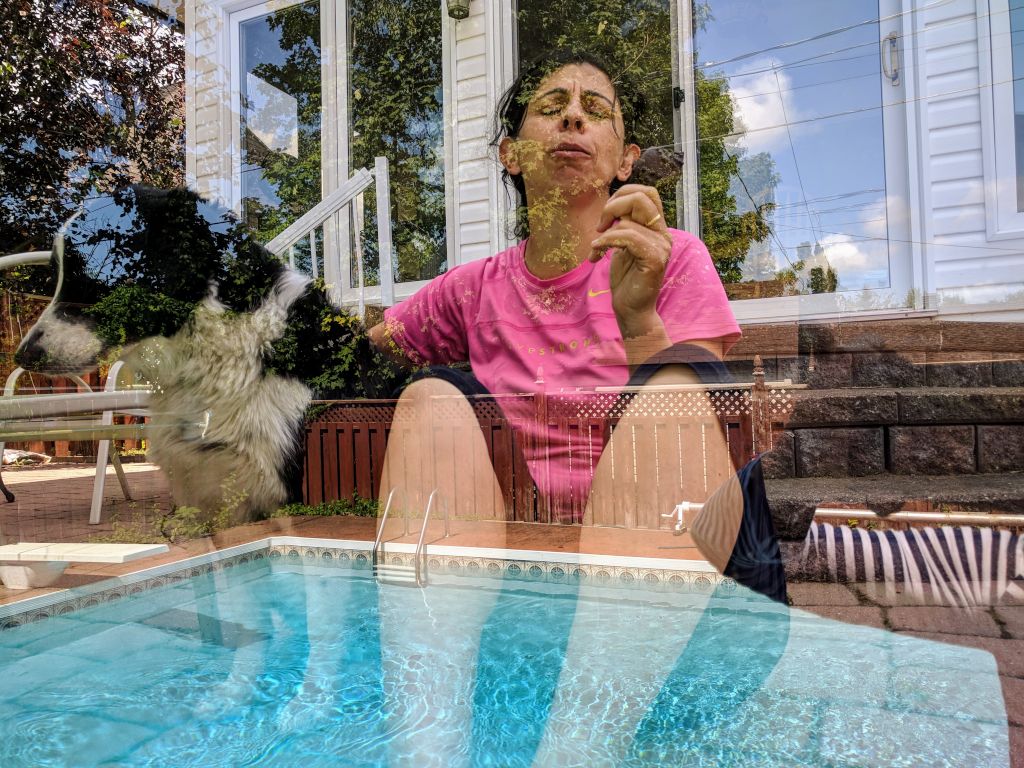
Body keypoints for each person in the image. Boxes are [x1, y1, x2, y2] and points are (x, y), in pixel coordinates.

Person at [368, 49, 784, 600]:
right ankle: (430, 677)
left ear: (625, 161)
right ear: (510, 154)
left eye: (595, 109)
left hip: (661, 553)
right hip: (506, 547)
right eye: (551, 106)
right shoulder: (470, 288)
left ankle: (605, 682)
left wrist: (637, 319)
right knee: (428, 401)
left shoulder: (674, 258)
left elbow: (702, 427)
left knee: (674, 389)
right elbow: (366, 350)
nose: (572, 117)